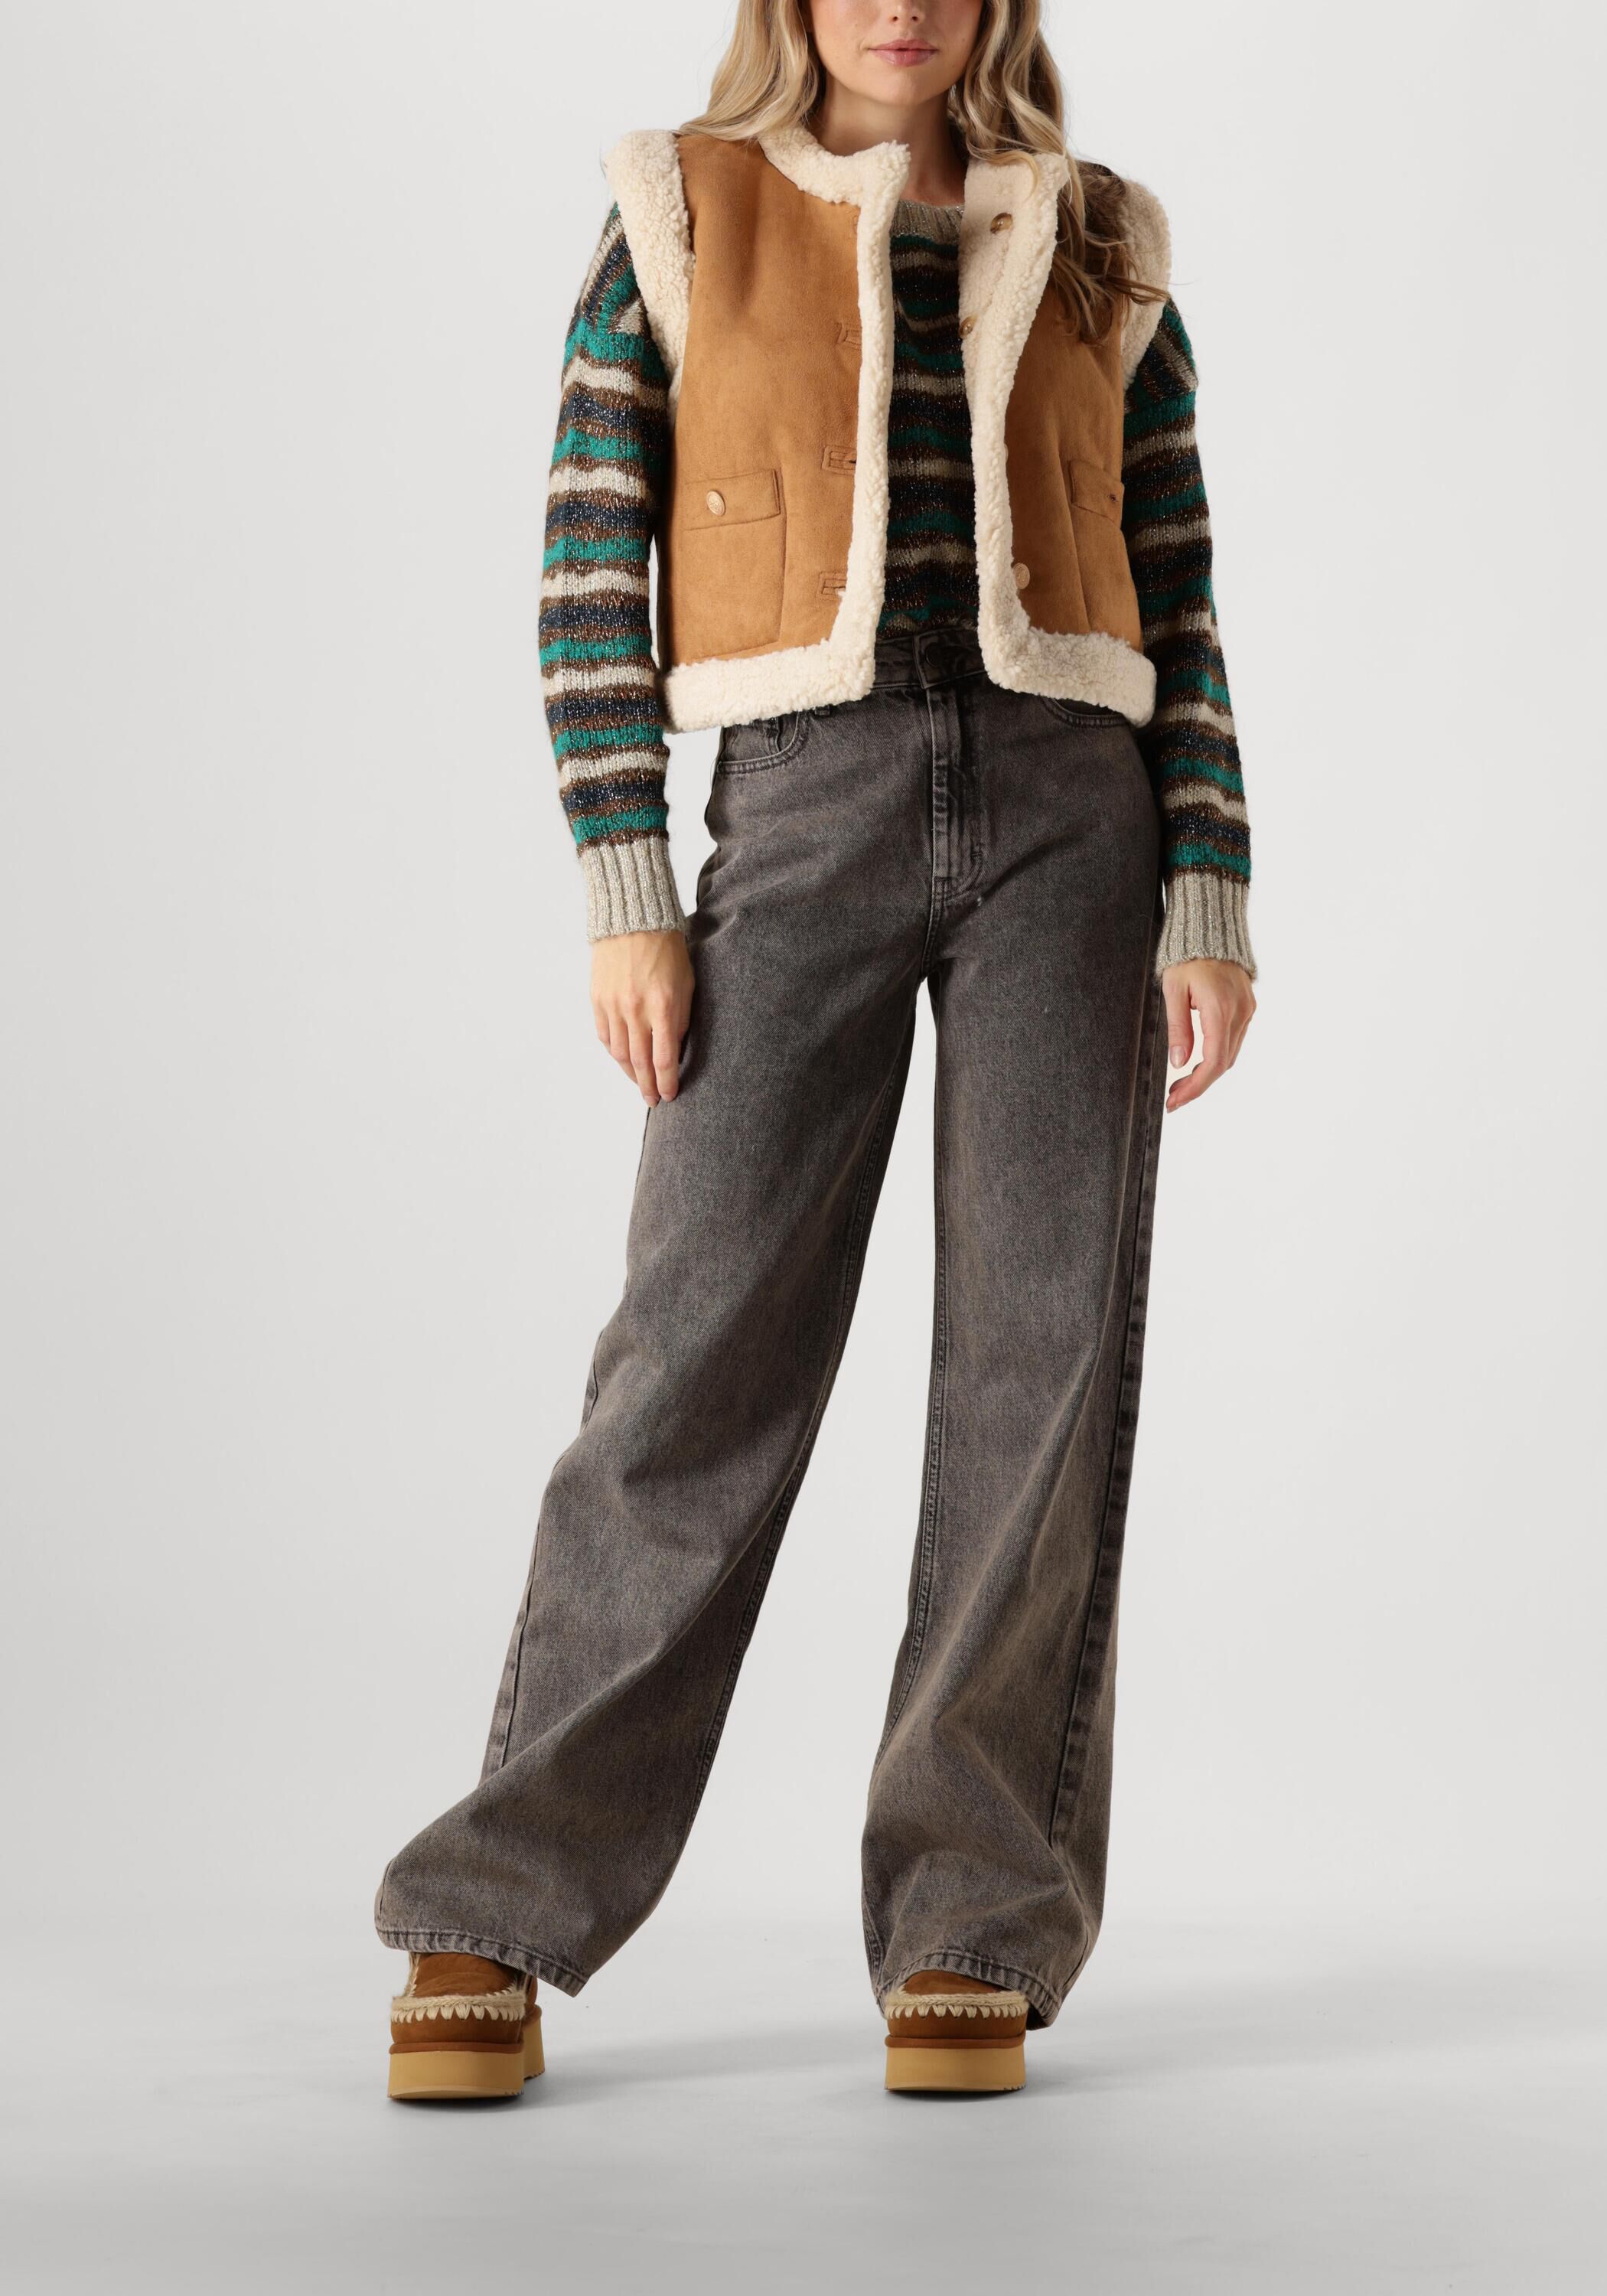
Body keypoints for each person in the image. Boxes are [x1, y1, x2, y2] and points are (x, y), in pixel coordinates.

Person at [376, 0, 1257, 2102]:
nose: (896, 4)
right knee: (694, 1358)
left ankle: (971, 1917)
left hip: (1074, 823)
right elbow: (587, 556)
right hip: (798, 808)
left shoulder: (1104, 238)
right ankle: (498, 1900)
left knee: (1038, 1368)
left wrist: (1206, 888)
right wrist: (625, 882)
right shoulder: (679, 211)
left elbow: (1180, 589)